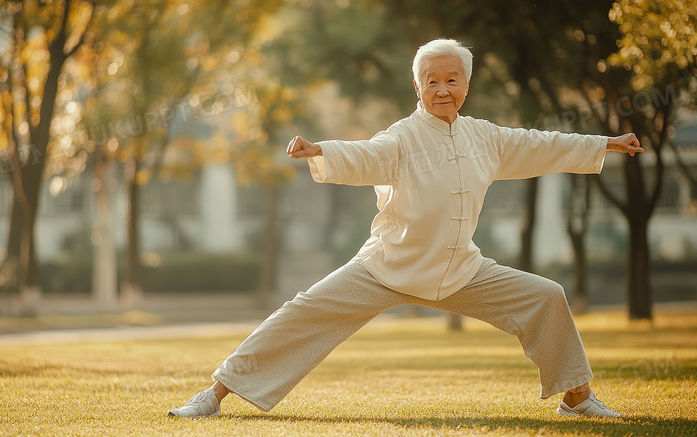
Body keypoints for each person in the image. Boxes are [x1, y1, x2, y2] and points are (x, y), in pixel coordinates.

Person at [168, 38, 641, 419]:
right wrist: (322, 151)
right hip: (386, 266)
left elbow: (541, 144)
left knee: (547, 296)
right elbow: (370, 155)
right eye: (430, 80)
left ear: (465, 85)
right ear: (417, 87)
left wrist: (606, 142)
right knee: (302, 313)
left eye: (450, 80)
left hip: (460, 271)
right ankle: (213, 395)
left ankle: (576, 399)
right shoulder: (401, 136)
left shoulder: (486, 138)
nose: (441, 89)